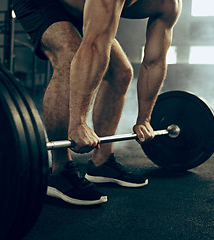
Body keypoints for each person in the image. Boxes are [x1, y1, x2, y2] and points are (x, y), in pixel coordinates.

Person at [13, 0, 182, 205]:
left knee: (121, 72)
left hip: (81, 7)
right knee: (70, 55)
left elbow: (154, 62)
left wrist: (144, 119)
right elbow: (93, 46)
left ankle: (101, 162)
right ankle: (59, 170)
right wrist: (78, 123)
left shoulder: (169, 5)